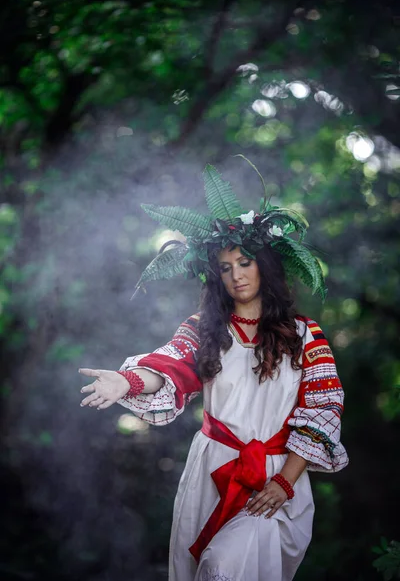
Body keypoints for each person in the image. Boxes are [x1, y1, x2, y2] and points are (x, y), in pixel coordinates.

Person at [79, 163, 349, 581]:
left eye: (244, 263)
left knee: (223, 565)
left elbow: (324, 411)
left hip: (275, 477)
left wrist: (285, 484)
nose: (236, 275)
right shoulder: (203, 329)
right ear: (215, 275)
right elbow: (170, 367)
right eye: (225, 268)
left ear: (265, 266)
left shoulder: (304, 334)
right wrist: (127, 380)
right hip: (210, 470)